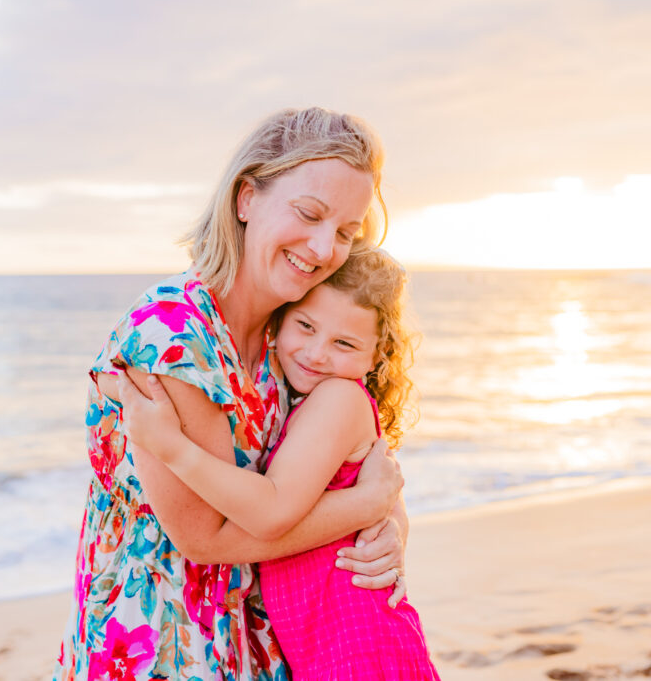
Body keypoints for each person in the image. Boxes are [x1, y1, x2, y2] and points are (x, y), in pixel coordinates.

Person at [53, 108, 408, 681]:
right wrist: (367, 507)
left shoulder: (291, 338)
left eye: (345, 233)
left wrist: (391, 522)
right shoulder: (169, 333)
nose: (322, 249)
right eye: (309, 214)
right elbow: (205, 537)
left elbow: (346, 462)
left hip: (265, 648)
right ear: (246, 199)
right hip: (161, 649)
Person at [120, 247, 440, 680]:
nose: (316, 353)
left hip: (357, 643)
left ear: (376, 357)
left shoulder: (338, 399)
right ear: (281, 320)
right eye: (305, 326)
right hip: (326, 646)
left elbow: (270, 509)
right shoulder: (311, 397)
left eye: (344, 343)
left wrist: (172, 448)